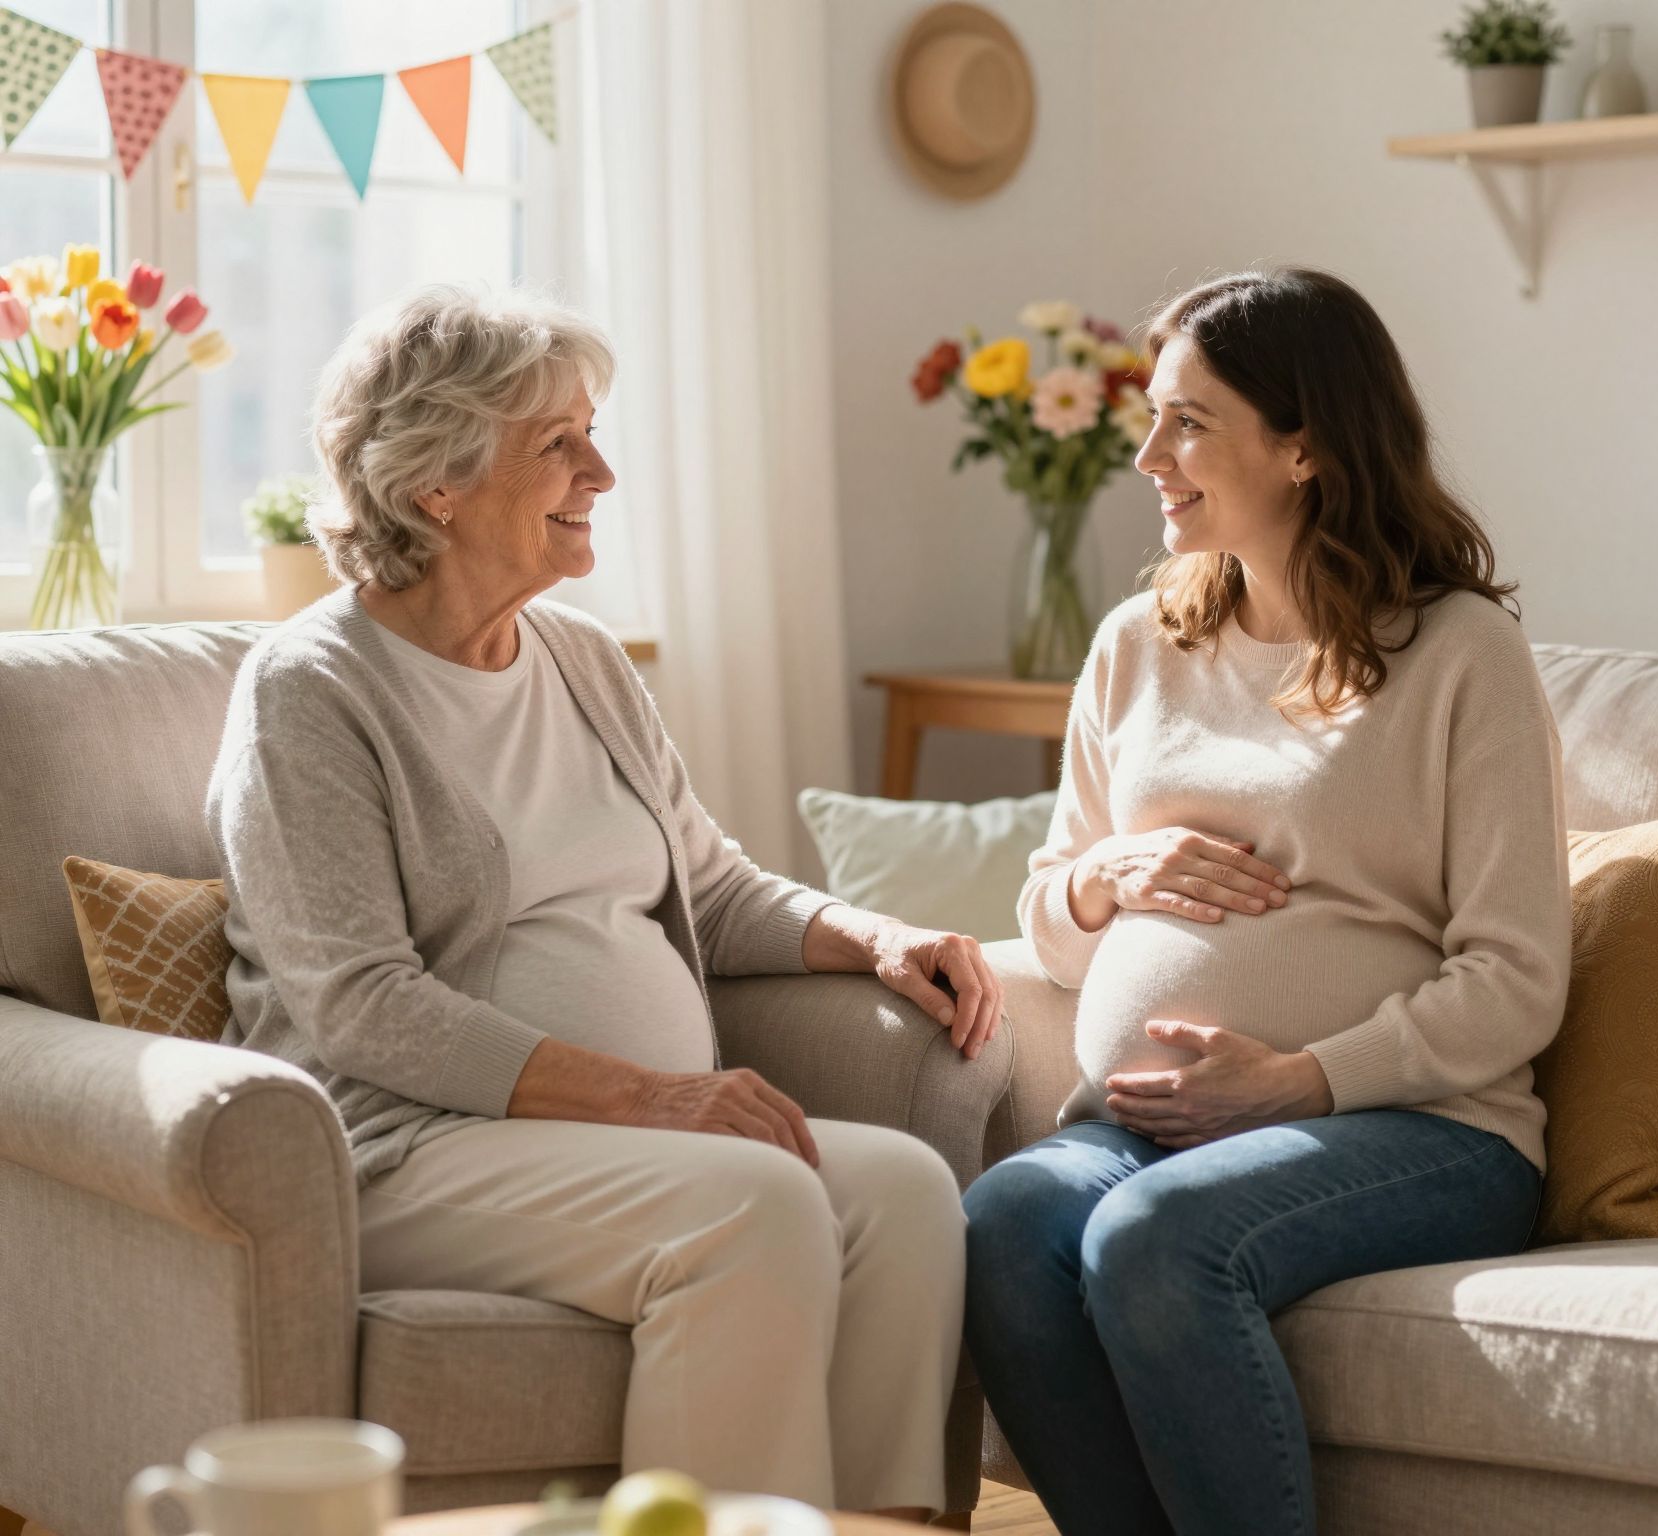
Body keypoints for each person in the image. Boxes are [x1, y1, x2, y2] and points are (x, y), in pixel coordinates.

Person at [207, 283, 1002, 1520]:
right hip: (408, 1146)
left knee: (902, 1192)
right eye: (559, 444)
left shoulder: (577, 657)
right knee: (753, 1202)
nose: (604, 472)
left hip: (609, 1142)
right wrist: (659, 1096)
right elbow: (364, 1006)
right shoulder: (311, 691)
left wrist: (874, 934)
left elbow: (713, 885)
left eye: (594, 431)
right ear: (437, 484)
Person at [962, 267, 1572, 1536]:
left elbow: (1516, 977)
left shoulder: (1458, 654)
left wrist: (1296, 1081)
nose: (1146, 455)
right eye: (1149, 416)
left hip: (1425, 1127)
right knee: (1005, 1220)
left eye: (1187, 421)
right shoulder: (1139, 642)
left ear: (1303, 445)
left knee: (1151, 1238)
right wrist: (1100, 879)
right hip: (1145, 1125)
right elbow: (1046, 918)